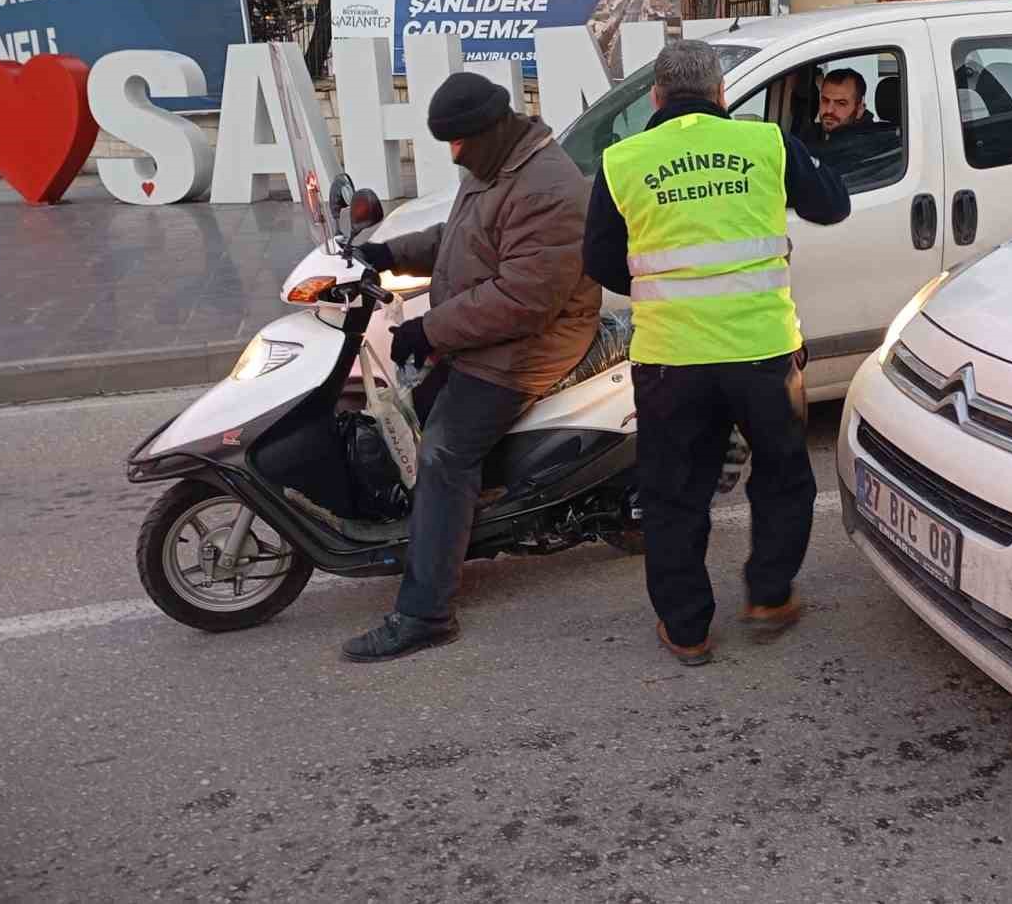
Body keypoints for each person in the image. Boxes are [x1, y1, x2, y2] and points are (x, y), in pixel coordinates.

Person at [583, 39, 850, 666]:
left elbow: (599, 262)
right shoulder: (765, 144)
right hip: (764, 354)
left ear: (655, 96)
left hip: (671, 359)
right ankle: (767, 597)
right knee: (783, 478)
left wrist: (662, 283)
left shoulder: (623, 161)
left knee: (675, 494)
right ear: (721, 94)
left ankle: (686, 629)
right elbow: (832, 206)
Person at [342, 72, 601, 662]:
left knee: (444, 451)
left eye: (458, 142)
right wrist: (388, 254)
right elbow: (459, 239)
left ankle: (426, 612)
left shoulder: (550, 188)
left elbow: (523, 300)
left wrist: (428, 329)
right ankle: (448, 532)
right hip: (484, 334)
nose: (454, 155)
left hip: (528, 344)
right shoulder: (496, 166)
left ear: (490, 128)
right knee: (405, 415)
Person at [815, 68, 874, 140]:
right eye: (825, 100)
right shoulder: (809, 135)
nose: (829, 110)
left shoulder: (870, 144)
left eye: (841, 103)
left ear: (860, 109)